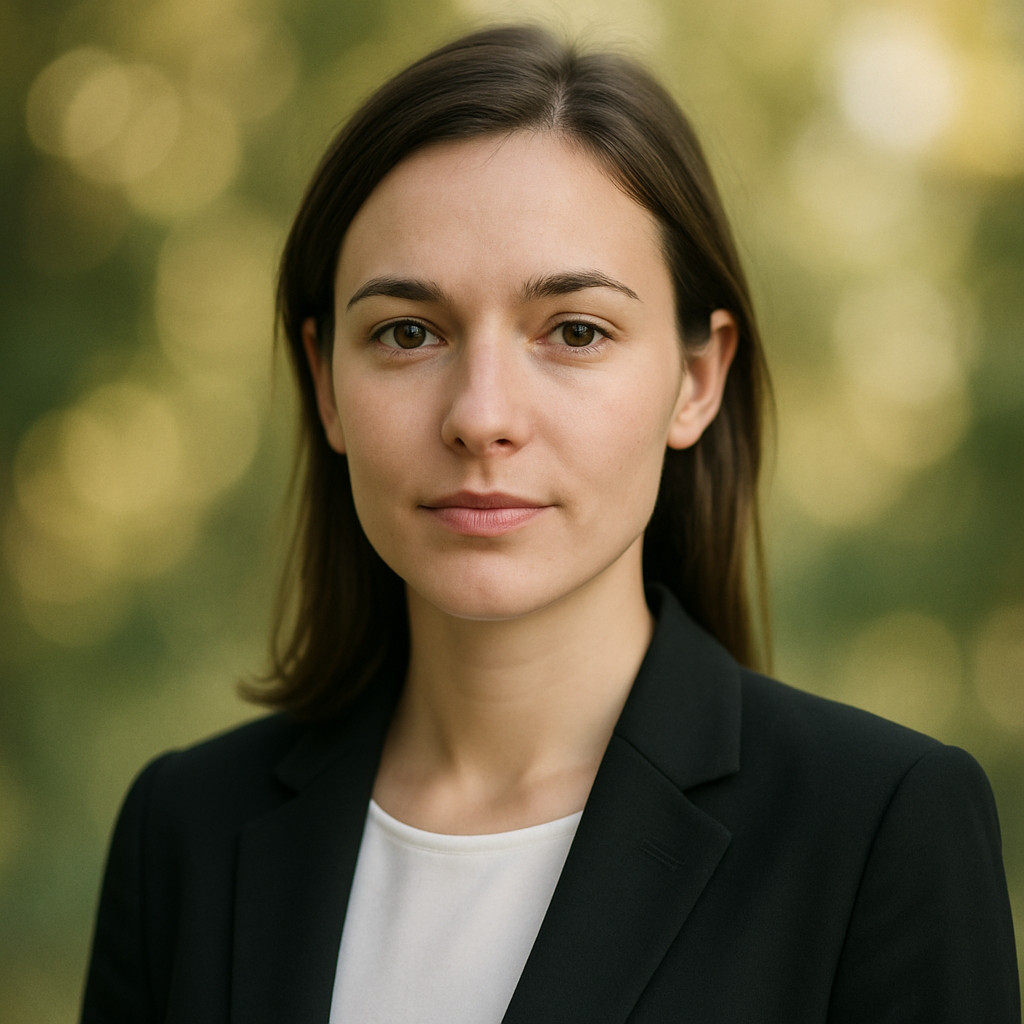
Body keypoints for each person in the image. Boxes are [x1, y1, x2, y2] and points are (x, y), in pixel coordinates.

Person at [80, 24, 1020, 1024]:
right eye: (408, 332)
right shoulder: (183, 831)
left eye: (574, 331)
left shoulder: (874, 828)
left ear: (696, 378)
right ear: (324, 383)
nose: (481, 414)